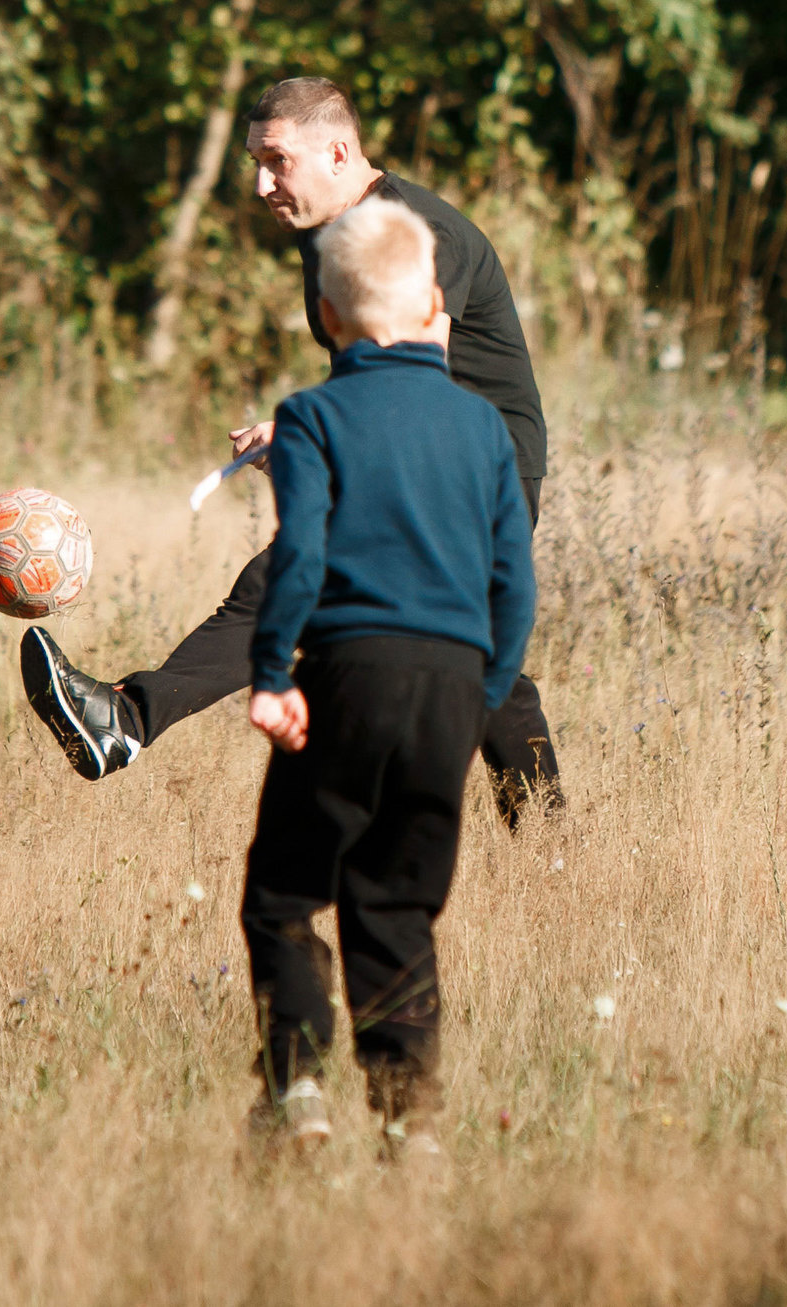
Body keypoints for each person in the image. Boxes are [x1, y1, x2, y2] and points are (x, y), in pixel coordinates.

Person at [19, 75, 563, 826]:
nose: (261, 184)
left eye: (277, 161)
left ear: (339, 152)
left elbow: (417, 373)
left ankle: (125, 718)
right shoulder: (331, 234)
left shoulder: (414, 233)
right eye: (255, 163)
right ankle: (552, 845)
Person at [230, 196, 535, 1158]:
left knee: (284, 892)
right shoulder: (483, 428)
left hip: (346, 676)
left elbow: (301, 558)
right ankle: (409, 1121)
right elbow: (514, 584)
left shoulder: (312, 416)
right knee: (396, 904)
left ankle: (297, 1088)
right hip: (452, 688)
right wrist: (486, 693)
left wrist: (273, 672)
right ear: (436, 306)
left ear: (327, 317)